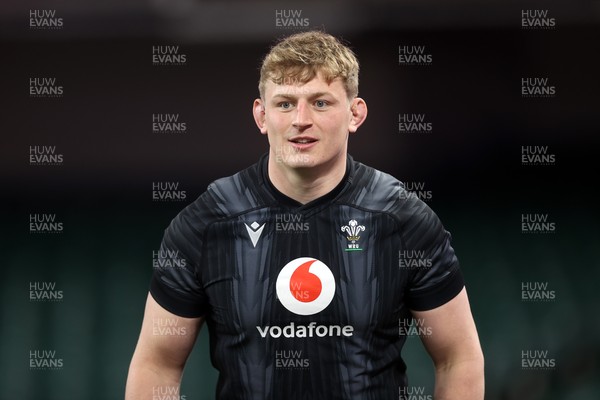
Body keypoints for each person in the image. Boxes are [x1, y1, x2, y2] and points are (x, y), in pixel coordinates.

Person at [125, 30, 484, 400]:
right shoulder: (204, 224)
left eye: (320, 103)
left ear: (355, 113)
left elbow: (458, 357)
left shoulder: (405, 221)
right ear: (261, 115)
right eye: (284, 104)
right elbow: (158, 364)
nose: (301, 119)